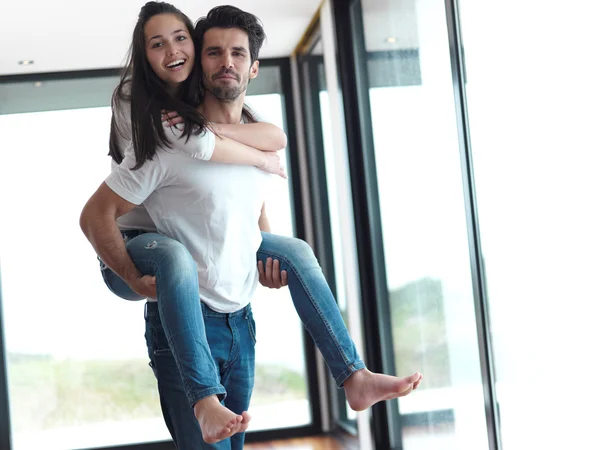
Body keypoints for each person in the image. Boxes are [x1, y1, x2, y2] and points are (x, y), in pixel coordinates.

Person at [80, 3, 422, 449]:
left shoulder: (252, 127)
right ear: (200, 65)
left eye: (238, 54)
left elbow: (259, 180)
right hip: (179, 306)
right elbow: (96, 213)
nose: (226, 62)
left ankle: (353, 375)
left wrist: (259, 249)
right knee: (175, 257)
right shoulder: (166, 134)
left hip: (239, 321)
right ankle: (203, 399)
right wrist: (131, 276)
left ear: (253, 67)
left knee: (295, 250)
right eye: (214, 52)